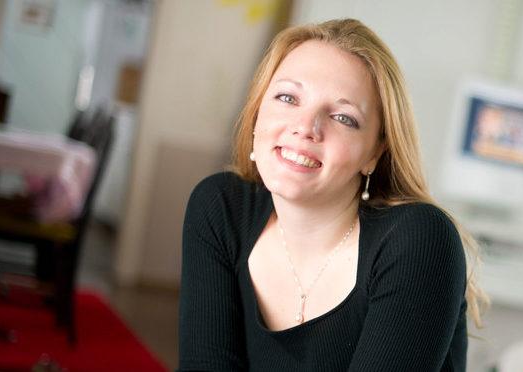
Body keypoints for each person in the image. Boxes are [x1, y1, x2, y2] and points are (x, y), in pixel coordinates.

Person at [178, 19, 486, 371]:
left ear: (375, 153)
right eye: (287, 97)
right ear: (257, 113)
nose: (305, 127)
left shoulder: (418, 241)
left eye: (343, 117)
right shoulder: (220, 207)